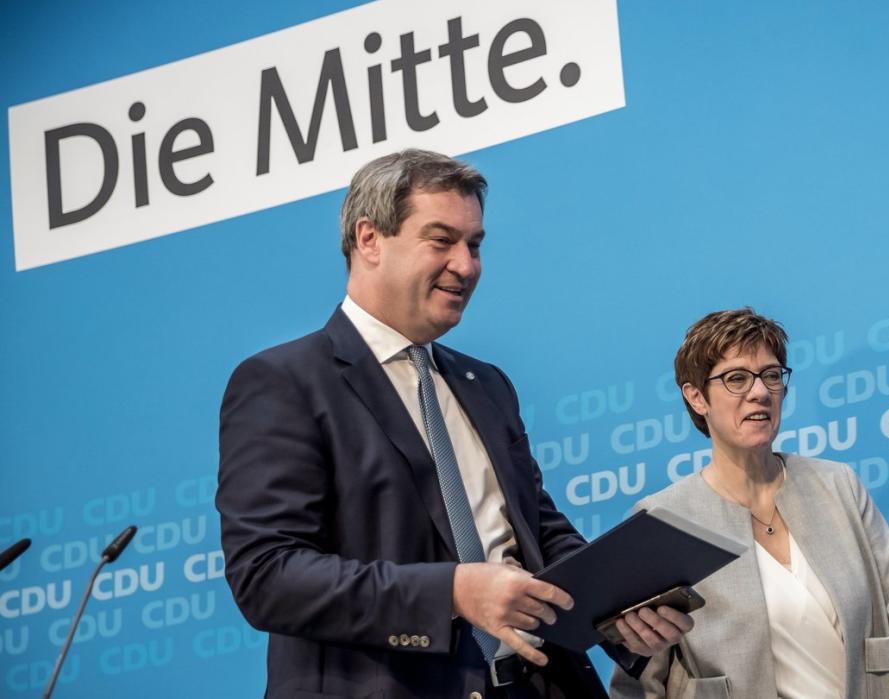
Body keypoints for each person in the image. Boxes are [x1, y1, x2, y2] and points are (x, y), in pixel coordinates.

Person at [217, 149, 690, 699]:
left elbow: (538, 532)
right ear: (369, 239)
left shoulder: (484, 384)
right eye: (441, 240)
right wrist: (454, 593)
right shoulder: (286, 382)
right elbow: (269, 576)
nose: (466, 265)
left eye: (475, 244)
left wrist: (617, 610)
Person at [610, 308, 889, 699]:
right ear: (697, 397)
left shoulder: (837, 486)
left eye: (771, 375)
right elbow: (638, 681)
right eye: (737, 378)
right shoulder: (664, 520)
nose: (760, 392)